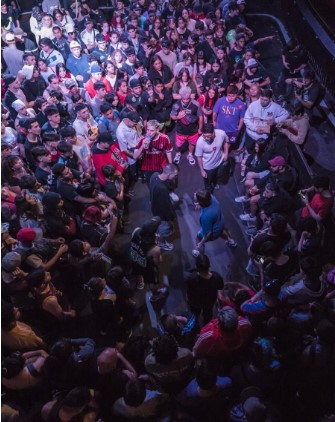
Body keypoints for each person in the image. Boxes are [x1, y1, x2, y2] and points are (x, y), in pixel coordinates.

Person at [192, 189, 237, 257]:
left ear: (201, 202)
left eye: (196, 195)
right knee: (221, 231)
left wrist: (201, 243)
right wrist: (201, 205)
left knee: (198, 238)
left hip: (214, 231)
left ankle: (200, 255)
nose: (194, 193)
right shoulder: (211, 197)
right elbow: (208, 204)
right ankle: (231, 241)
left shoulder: (206, 216)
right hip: (220, 222)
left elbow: (208, 233)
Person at [243, 89, 290, 153]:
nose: (262, 101)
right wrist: (255, 128)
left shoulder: (275, 107)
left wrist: (275, 120)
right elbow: (246, 119)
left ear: (270, 99)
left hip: (263, 138)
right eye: (261, 99)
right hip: (250, 135)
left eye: (265, 100)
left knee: (260, 154)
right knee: (249, 151)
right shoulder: (253, 105)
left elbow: (286, 114)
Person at [185, 253, 224, 325]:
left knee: (195, 315)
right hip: (209, 302)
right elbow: (220, 288)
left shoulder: (191, 278)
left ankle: (196, 327)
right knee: (208, 315)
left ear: (197, 266)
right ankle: (206, 327)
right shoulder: (217, 277)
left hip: (194, 302)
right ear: (209, 266)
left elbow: (187, 288)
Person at [171, 86, 203, 166]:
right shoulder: (176, 105)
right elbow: (172, 116)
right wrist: (178, 117)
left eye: (187, 99)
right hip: (180, 130)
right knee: (178, 145)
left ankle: (190, 154)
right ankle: (178, 153)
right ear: (181, 97)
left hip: (193, 130)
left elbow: (200, 117)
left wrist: (200, 128)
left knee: (192, 144)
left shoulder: (196, 104)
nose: (185, 101)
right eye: (183, 99)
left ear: (190, 96)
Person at [149, 164, 178, 251]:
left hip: (153, 205)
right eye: (175, 175)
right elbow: (166, 208)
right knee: (164, 229)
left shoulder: (154, 175)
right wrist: (171, 218)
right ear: (169, 175)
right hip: (160, 214)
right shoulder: (162, 190)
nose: (176, 177)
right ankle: (161, 243)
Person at [133, 119, 173, 184]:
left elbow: (168, 151)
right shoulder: (142, 139)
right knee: (150, 182)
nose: (149, 133)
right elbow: (135, 157)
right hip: (148, 166)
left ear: (157, 130)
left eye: (152, 130)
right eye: (148, 130)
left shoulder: (165, 138)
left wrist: (170, 165)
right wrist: (142, 146)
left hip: (161, 165)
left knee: (162, 182)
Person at [213, 84, 246, 159]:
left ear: (236, 95)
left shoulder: (241, 104)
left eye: (233, 96)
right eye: (229, 95)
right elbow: (214, 112)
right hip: (220, 128)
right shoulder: (220, 101)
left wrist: (239, 127)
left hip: (232, 130)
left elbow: (242, 118)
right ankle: (220, 156)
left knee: (228, 144)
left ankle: (224, 157)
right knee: (219, 143)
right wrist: (214, 122)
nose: (231, 98)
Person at [195, 122, 228, 192]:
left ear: (213, 132)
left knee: (217, 176)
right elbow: (199, 157)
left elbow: (226, 142)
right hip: (208, 166)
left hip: (220, 162)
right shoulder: (200, 142)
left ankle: (215, 183)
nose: (206, 138)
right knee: (207, 182)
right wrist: (202, 170)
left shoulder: (221, 133)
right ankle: (208, 193)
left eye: (209, 136)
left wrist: (226, 153)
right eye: (204, 136)